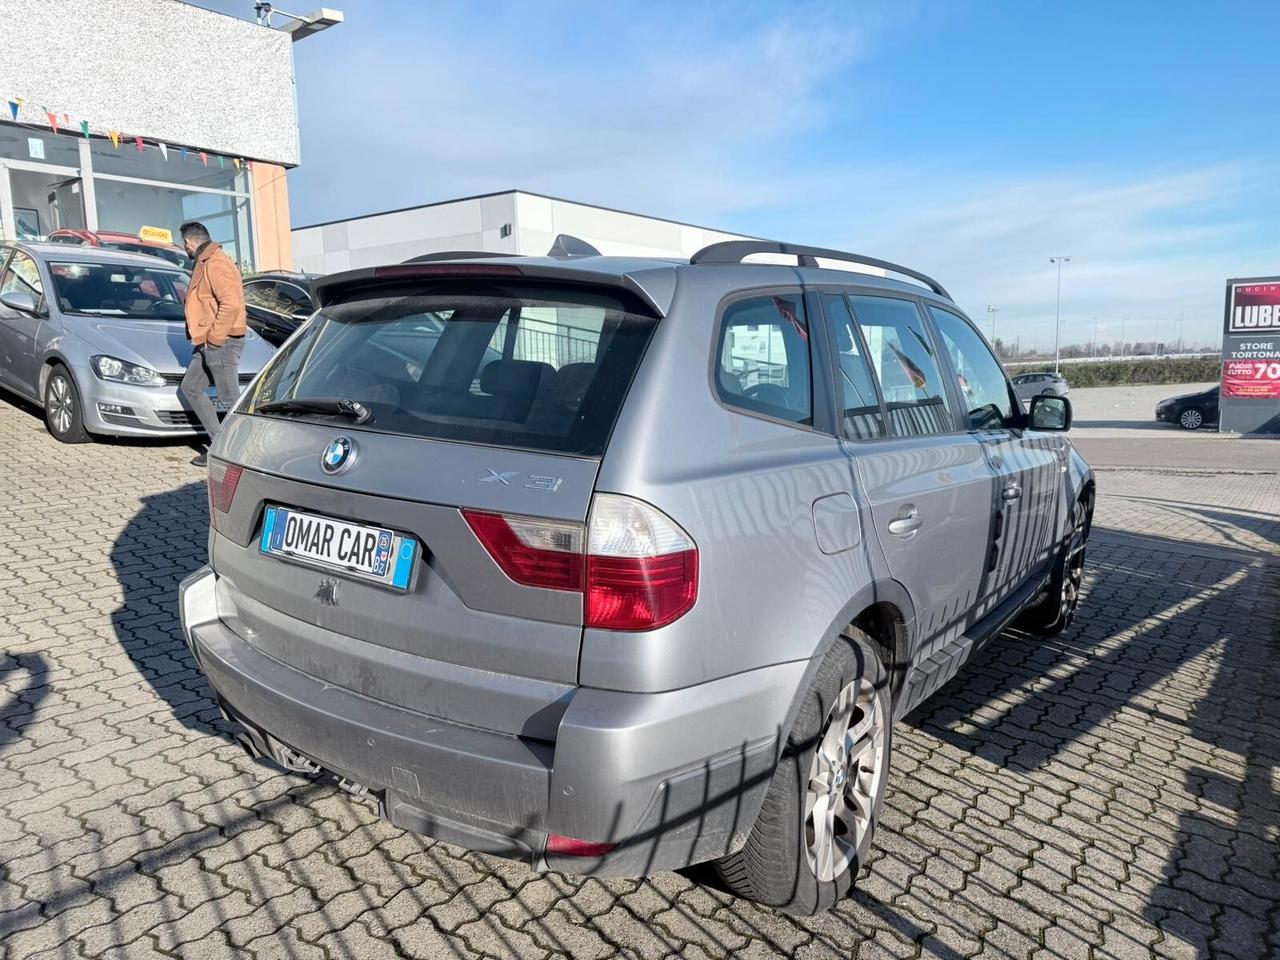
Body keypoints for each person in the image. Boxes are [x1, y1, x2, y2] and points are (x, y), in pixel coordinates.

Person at [179, 221, 246, 466]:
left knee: (230, 399)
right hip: (209, 341)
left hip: (222, 341)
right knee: (191, 388)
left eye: (183, 244)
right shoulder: (205, 261)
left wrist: (215, 340)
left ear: (189, 242)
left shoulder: (216, 262)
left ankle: (240, 453)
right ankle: (219, 445)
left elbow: (231, 304)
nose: (183, 248)